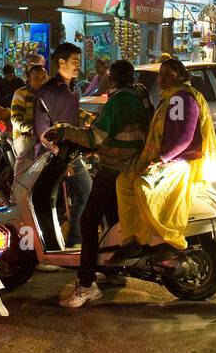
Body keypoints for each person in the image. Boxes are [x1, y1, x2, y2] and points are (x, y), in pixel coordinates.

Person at [50, 60, 150, 307]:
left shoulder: (118, 102)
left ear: (112, 79)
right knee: (114, 221)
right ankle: (115, 271)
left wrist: (65, 131)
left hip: (114, 168)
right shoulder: (141, 95)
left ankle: (85, 284)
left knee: (88, 221)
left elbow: (95, 137)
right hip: (132, 168)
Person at [110, 57, 216, 265]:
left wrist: (161, 160)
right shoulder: (170, 97)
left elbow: (184, 138)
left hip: (182, 162)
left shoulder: (181, 97)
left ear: (180, 77)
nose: (162, 78)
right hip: (167, 159)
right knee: (124, 182)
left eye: (169, 75)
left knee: (144, 185)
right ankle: (133, 240)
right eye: (161, 74)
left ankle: (170, 240)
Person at [33, 43, 92, 246]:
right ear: (61, 62)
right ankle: (48, 248)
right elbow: (43, 133)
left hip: (71, 155)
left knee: (86, 190)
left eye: (78, 61)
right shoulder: (46, 93)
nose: (78, 65)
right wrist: (58, 156)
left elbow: (74, 124)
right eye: (74, 61)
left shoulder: (73, 91)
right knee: (49, 201)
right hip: (50, 159)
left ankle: (75, 239)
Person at [9, 64, 49, 183]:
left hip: (47, 134)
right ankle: (17, 191)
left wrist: (87, 118)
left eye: (44, 77)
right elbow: (15, 118)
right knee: (26, 150)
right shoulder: (21, 93)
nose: (41, 81)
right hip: (24, 135)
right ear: (29, 80)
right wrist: (29, 128)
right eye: (37, 78)